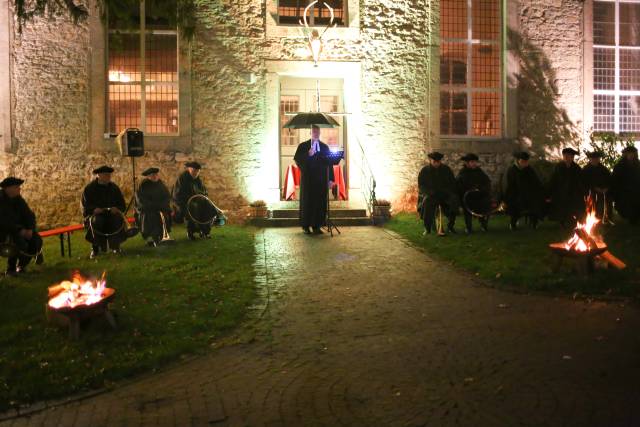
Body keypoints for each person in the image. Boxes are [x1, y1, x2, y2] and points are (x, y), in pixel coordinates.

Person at [293, 125, 335, 235]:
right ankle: (306, 226)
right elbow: (297, 160)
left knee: (320, 202)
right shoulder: (303, 146)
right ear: (310, 133)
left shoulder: (324, 147)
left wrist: (330, 179)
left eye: (317, 132)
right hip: (308, 180)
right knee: (307, 202)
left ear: (320, 133)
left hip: (321, 180)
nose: (316, 133)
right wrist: (308, 154)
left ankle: (317, 225)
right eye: (314, 132)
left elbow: (329, 164)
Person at [0, 177, 43, 276]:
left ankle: (21, 266)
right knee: (19, 243)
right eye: (16, 187)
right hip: (5, 232)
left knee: (36, 241)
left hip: (20, 230)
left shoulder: (19, 200)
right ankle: (11, 269)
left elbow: (29, 215)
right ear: (8, 189)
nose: (19, 189)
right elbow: (4, 221)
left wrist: (30, 229)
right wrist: (20, 230)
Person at [82, 165, 127, 258]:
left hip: (111, 214)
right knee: (97, 221)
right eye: (105, 175)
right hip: (96, 215)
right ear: (98, 175)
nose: (108, 177)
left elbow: (122, 204)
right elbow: (85, 205)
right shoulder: (89, 189)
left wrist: (117, 208)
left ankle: (115, 246)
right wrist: (93, 209)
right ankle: (95, 249)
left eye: (109, 175)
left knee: (117, 220)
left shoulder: (114, 188)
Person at [417, 152, 459, 235]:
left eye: (438, 162)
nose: (436, 164)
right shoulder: (424, 171)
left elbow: (452, 183)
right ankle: (427, 228)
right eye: (434, 162)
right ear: (430, 160)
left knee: (453, 200)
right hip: (431, 195)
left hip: (444, 194)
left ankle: (451, 226)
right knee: (427, 204)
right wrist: (429, 192)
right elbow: (421, 185)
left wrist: (448, 191)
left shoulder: (446, 169)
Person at [504, 151, 545, 230]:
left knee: (536, 201)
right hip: (516, 193)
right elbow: (510, 185)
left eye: (526, 162)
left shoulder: (529, 169)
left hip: (529, 193)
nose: (524, 163)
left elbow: (536, 182)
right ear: (518, 161)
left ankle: (534, 221)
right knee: (516, 203)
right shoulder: (512, 170)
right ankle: (513, 222)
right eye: (522, 161)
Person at [548, 147, 586, 227]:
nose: (567, 158)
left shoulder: (576, 168)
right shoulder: (558, 167)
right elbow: (553, 180)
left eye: (569, 156)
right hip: (561, 191)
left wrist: (581, 191)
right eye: (565, 156)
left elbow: (580, 181)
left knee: (576, 204)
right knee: (561, 203)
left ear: (572, 157)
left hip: (574, 192)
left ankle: (574, 220)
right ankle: (562, 221)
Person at [173, 161, 211, 240]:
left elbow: (204, 191)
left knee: (208, 207)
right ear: (189, 169)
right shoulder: (182, 179)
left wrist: (203, 197)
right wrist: (191, 199)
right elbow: (177, 195)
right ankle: (190, 232)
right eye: (194, 171)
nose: (196, 173)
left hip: (197, 202)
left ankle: (205, 231)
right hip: (184, 203)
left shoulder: (198, 180)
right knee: (193, 208)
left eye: (197, 171)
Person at [136, 167, 172, 246]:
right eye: (152, 175)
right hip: (148, 210)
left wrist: (163, 205)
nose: (155, 176)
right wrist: (155, 206)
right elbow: (141, 200)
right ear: (148, 176)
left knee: (164, 215)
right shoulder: (143, 185)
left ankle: (164, 237)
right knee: (153, 217)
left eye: (156, 174)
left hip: (161, 208)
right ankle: (154, 238)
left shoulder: (160, 184)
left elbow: (167, 196)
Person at [456, 153, 491, 234]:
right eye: (472, 162)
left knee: (485, 204)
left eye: (475, 161)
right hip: (467, 197)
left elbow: (487, 182)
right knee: (468, 209)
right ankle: (469, 227)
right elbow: (459, 186)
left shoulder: (479, 171)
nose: (474, 163)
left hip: (479, 196)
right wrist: (469, 190)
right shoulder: (462, 172)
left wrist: (482, 189)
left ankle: (483, 224)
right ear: (467, 163)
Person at [612, 145, 640, 225]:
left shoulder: (638, 165)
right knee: (626, 208)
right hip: (624, 192)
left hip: (636, 191)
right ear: (626, 155)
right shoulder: (619, 166)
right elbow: (615, 180)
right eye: (629, 154)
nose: (631, 156)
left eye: (632, 154)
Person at [582, 151, 612, 220]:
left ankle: (606, 218)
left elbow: (609, 180)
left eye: (597, 158)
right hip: (591, 191)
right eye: (593, 159)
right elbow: (584, 182)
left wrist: (606, 188)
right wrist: (594, 188)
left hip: (604, 190)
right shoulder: (586, 170)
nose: (595, 160)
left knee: (608, 199)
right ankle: (594, 218)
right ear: (590, 159)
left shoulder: (603, 169)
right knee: (593, 198)